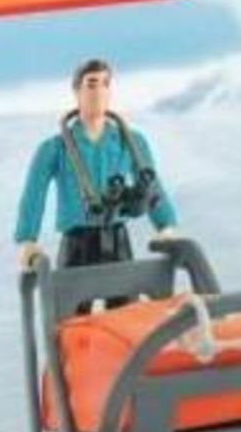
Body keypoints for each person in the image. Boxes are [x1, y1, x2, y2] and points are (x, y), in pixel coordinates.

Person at [13, 58, 179, 272]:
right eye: (91, 84)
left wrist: (166, 226)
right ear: (77, 91)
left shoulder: (131, 142)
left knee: (126, 292)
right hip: (76, 246)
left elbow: (152, 188)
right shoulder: (54, 148)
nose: (99, 91)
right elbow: (34, 196)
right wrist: (27, 240)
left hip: (119, 242)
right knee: (72, 293)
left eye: (105, 84)